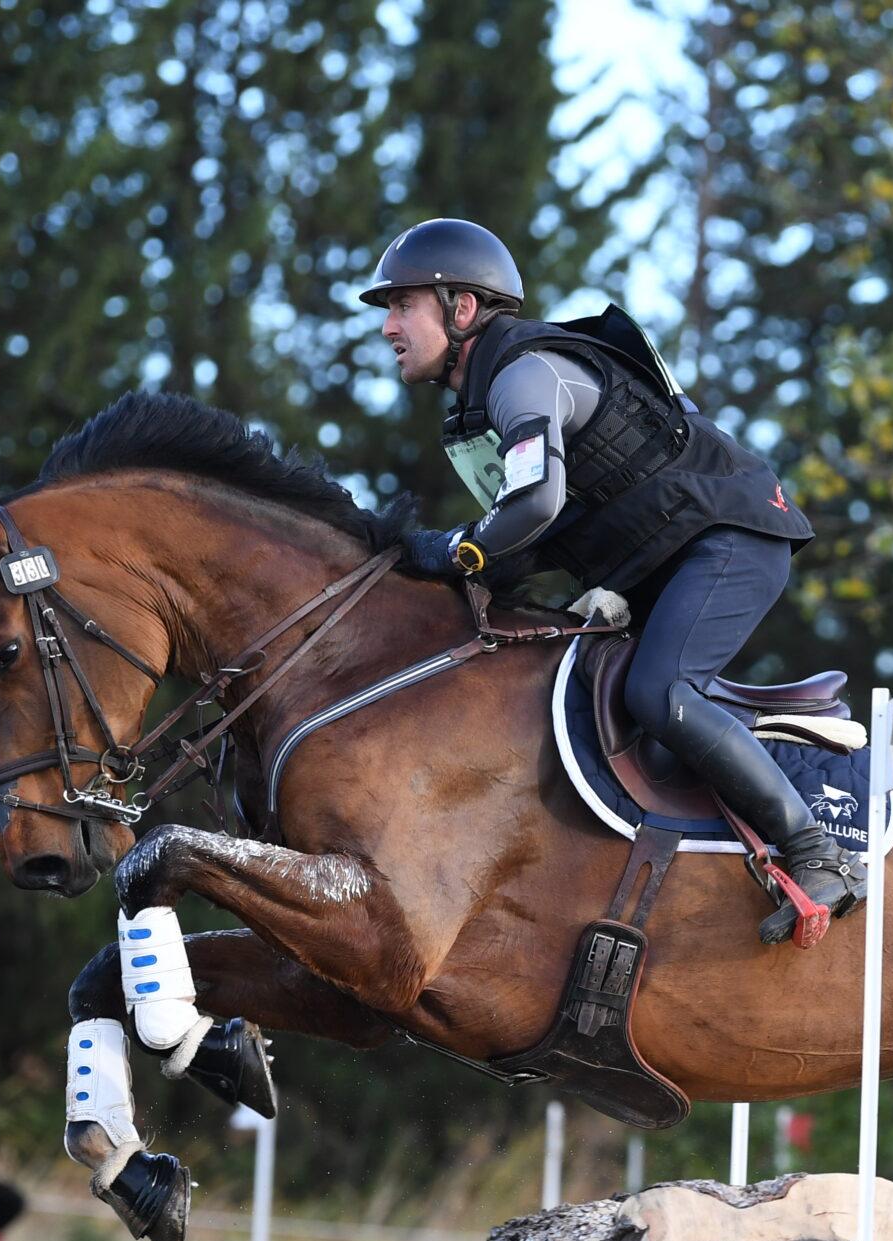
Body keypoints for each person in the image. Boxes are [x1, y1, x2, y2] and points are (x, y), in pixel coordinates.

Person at [361, 217, 863, 945]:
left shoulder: (523, 376)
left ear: (461, 307)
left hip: (732, 537)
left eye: (402, 305)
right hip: (666, 558)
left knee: (659, 692)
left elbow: (533, 504)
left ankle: (818, 851)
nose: (388, 327)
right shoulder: (480, 406)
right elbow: (531, 537)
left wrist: (459, 552)